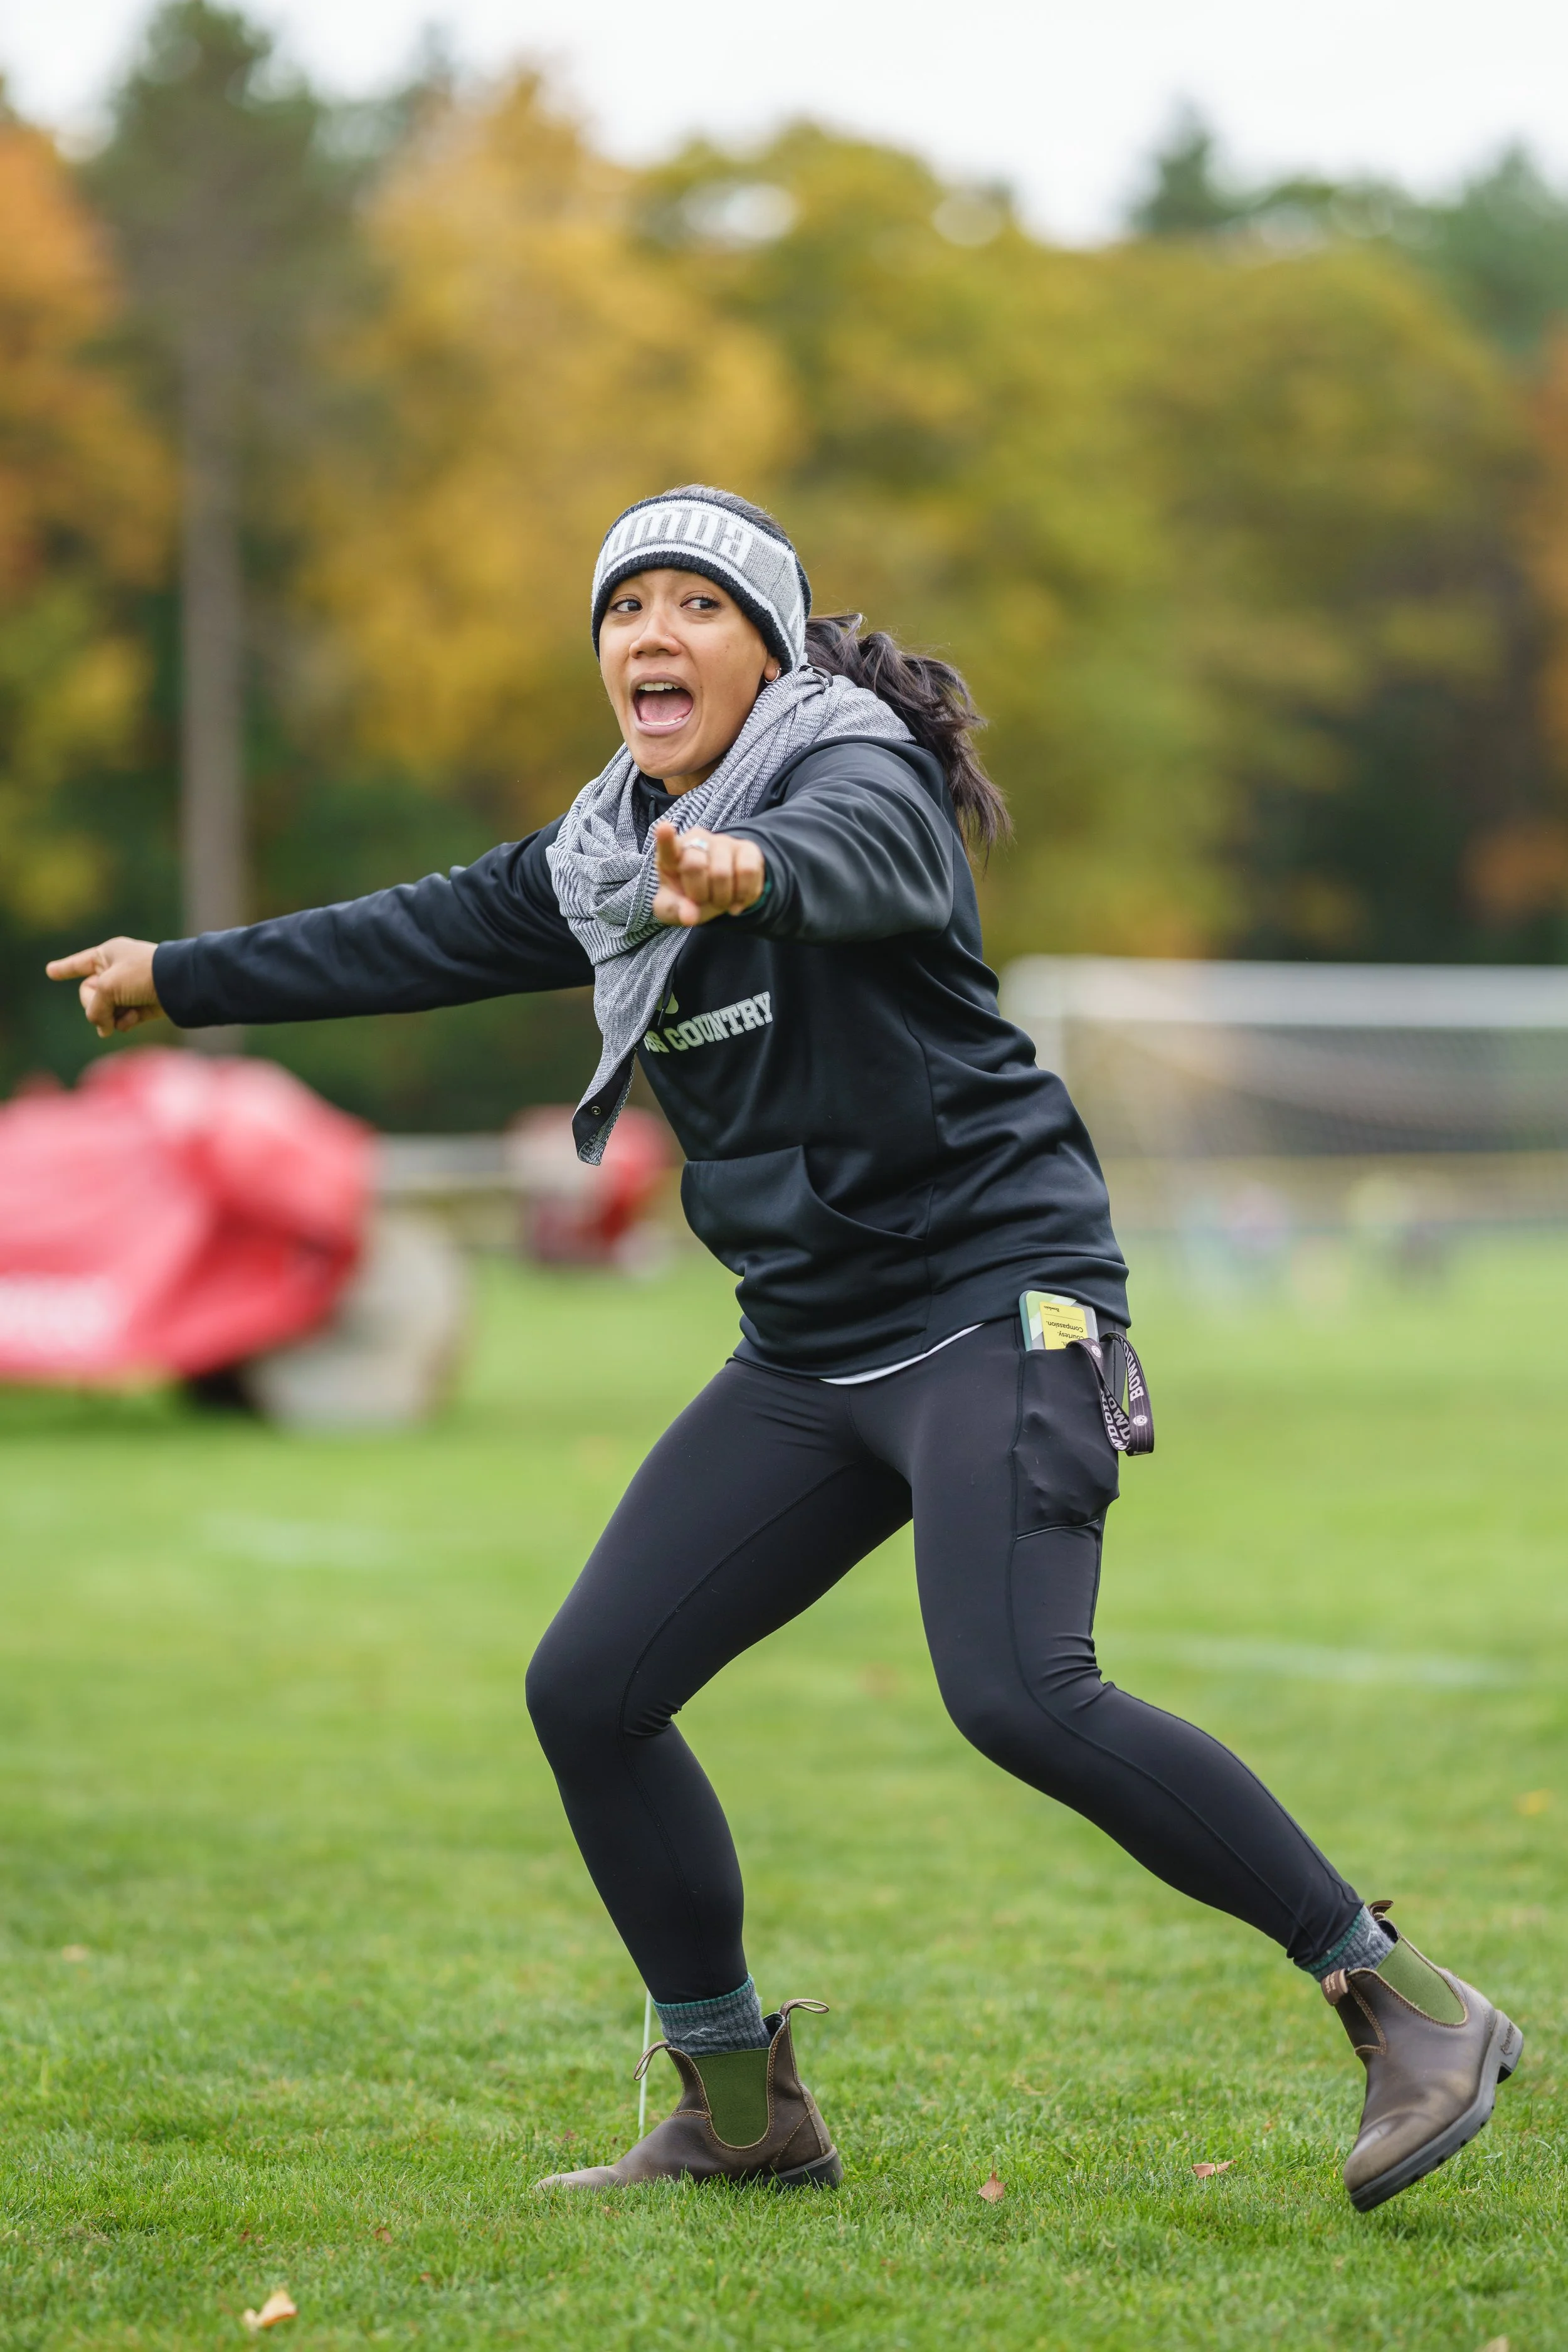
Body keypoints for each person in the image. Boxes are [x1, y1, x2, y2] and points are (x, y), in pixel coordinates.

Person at [50, 484, 1520, 2211]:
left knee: (1017, 1689)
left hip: (995, 1298)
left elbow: (870, 859)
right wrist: (180, 974)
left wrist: (754, 867)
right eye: (622, 610)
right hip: (811, 1347)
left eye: (691, 605)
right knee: (589, 1689)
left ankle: (1404, 2003)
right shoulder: (606, 855)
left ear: (764, 644)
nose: (648, 637)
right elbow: (411, 933)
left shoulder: (856, 771)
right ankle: (739, 2107)